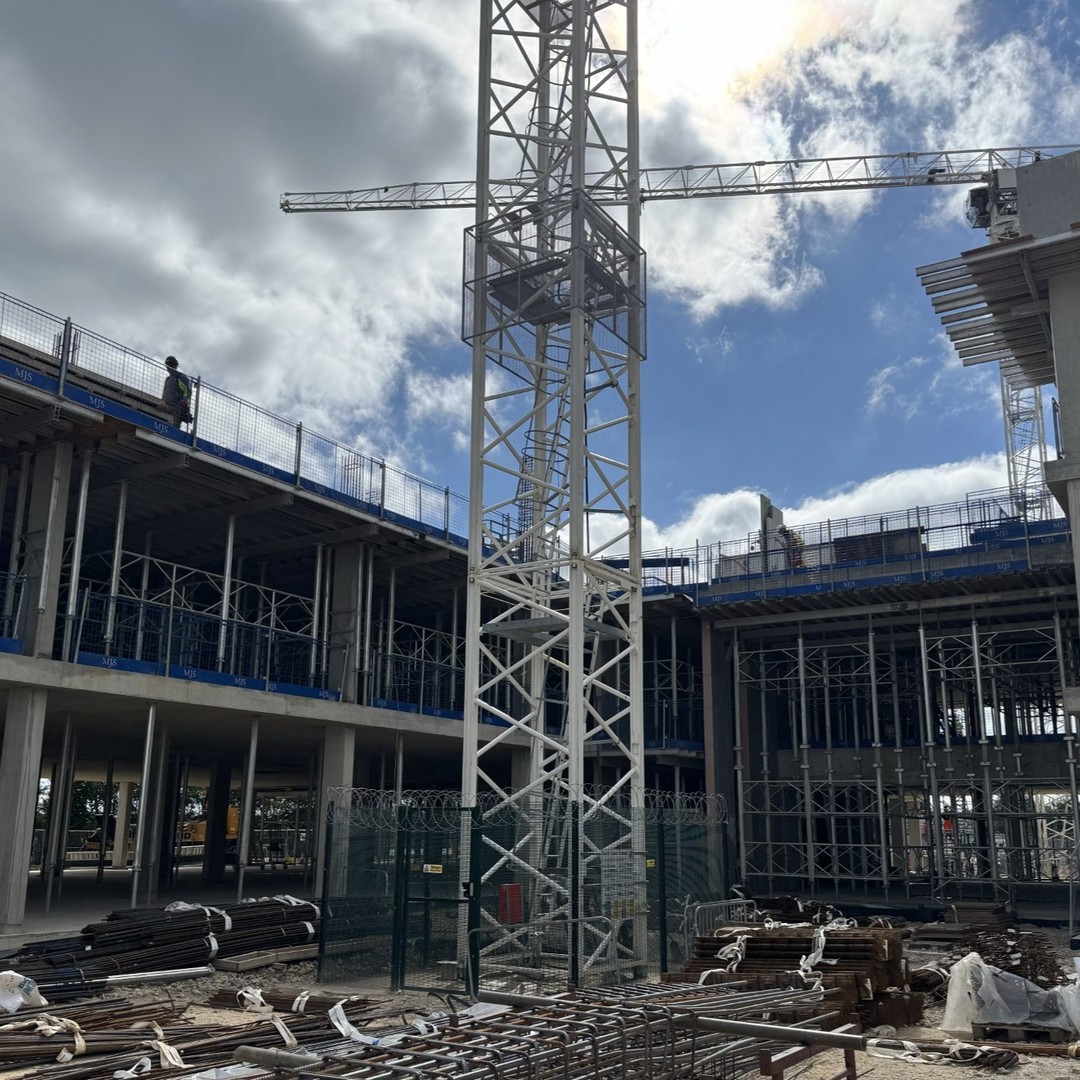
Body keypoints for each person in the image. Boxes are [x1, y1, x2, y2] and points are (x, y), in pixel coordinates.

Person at [162, 355, 194, 426]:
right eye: (167, 367)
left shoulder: (180, 377)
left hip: (176, 408)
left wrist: (184, 400)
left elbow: (187, 392)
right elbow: (164, 393)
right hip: (166, 406)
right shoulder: (168, 379)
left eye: (168, 366)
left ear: (174, 366)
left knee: (174, 426)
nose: (167, 369)